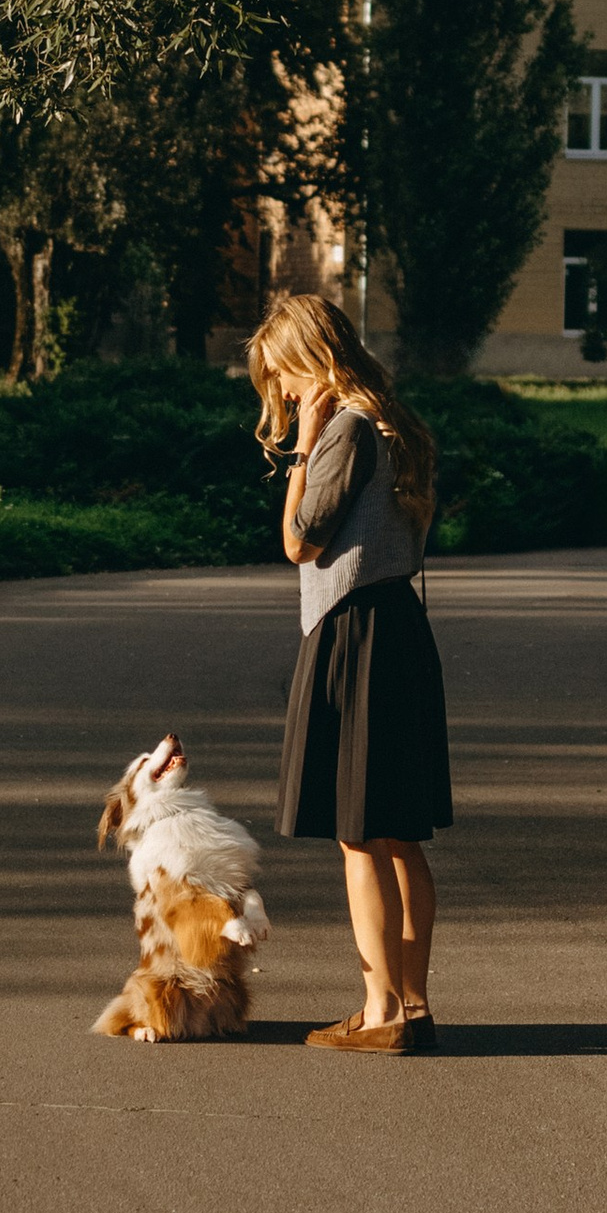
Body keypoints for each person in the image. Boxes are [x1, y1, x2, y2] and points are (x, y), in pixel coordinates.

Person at [249, 291, 452, 1053]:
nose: (285, 394)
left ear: (312, 359)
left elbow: (301, 543)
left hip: (353, 633)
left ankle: (380, 1014)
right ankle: (415, 1006)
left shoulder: (343, 430)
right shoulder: (397, 424)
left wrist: (304, 445)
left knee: (359, 835)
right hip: (399, 627)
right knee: (399, 834)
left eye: (287, 379)